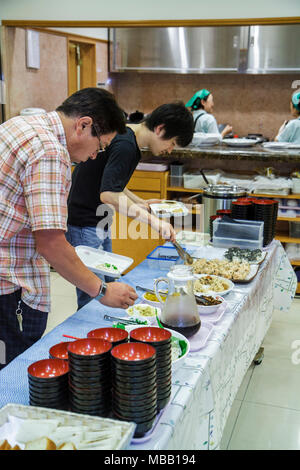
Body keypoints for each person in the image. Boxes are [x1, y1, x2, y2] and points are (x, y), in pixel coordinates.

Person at [0, 87, 138, 370]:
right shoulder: (50, 152)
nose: (92, 157)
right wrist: (102, 291)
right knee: (12, 375)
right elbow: (51, 244)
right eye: (99, 147)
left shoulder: (20, 125)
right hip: (9, 283)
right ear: (83, 125)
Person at [66, 101, 194, 309]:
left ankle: (108, 333)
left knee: (111, 287)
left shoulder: (127, 136)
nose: (169, 150)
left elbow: (112, 184)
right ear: (160, 129)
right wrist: (154, 222)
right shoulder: (127, 145)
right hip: (84, 223)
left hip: (98, 220)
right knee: (94, 296)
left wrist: (140, 202)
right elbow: (108, 195)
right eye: (171, 143)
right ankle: (92, 338)